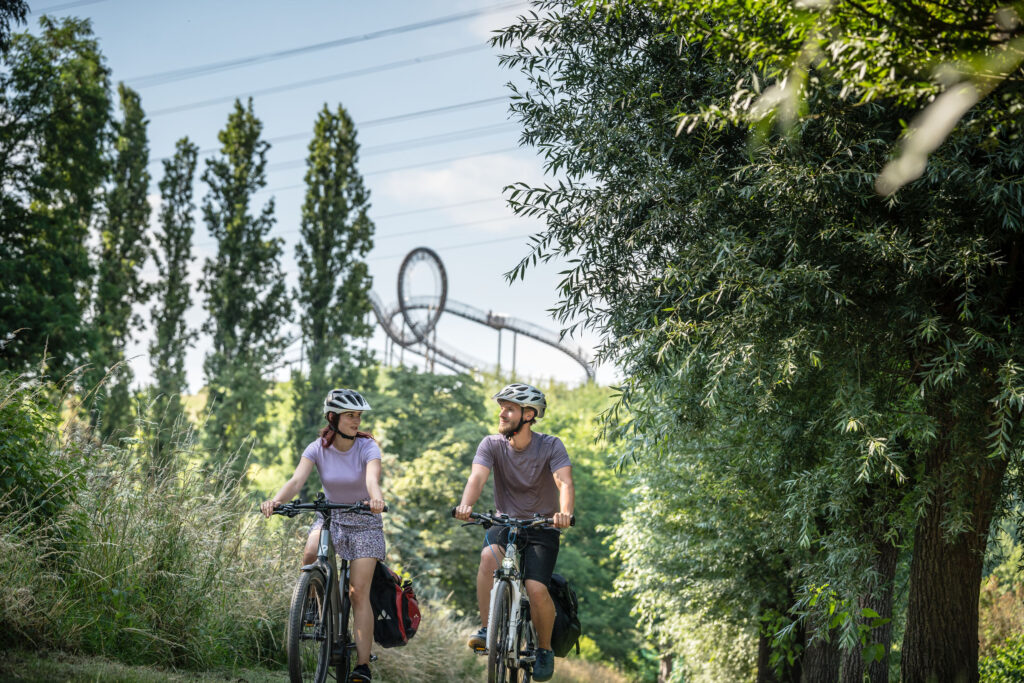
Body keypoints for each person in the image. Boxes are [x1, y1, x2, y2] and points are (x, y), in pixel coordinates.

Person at [261, 388, 385, 683]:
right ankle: (315, 609)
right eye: (350, 416)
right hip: (331, 515)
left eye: (358, 416)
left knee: (358, 592)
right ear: (333, 418)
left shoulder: (368, 447)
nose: (356, 421)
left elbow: (372, 479)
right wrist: (276, 500)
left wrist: (376, 499)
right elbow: (296, 480)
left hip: (365, 519)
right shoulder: (317, 448)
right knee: (310, 554)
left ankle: (363, 666)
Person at [453, 382, 575, 683]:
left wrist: (564, 513)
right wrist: (465, 505)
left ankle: (544, 649)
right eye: (502, 407)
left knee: (536, 589)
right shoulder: (491, 444)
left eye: (509, 409)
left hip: (541, 526)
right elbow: (477, 477)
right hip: (505, 522)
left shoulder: (551, 446)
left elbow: (564, 483)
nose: (502, 413)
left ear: (529, 414)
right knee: (487, 558)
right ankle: (487, 628)